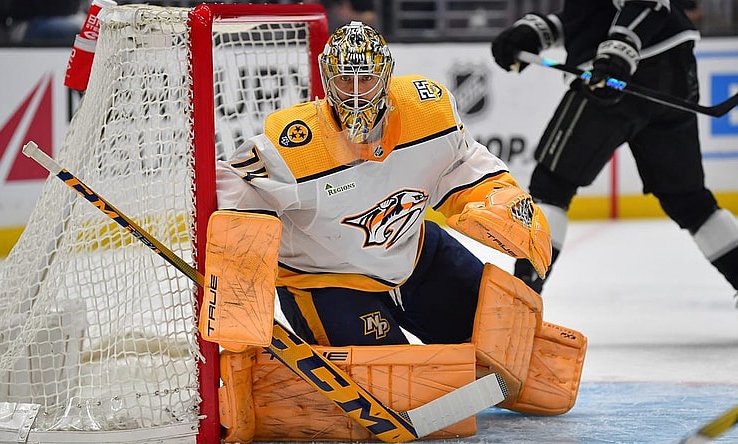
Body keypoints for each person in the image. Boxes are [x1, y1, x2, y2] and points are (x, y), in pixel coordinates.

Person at [215, 21, 552, 347]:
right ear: (327, 79)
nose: (358, 92)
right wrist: (238, 281)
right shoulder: (292, 144)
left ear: (386, 76)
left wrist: (499, 197)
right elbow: (236, 189)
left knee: (504, 338)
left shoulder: (428, 112)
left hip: (413, 253)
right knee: (395, 389)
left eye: (368, 79)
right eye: (346, 80)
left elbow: (461, 163)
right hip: (324, 279)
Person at [490, 0, 738, 302]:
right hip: (673, 68)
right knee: (689, 200)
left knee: (551, 187)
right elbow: (595, 15)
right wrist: (539, 32)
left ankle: (520, 305)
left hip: (623, 74)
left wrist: (617, 54)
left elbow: (647, 3)